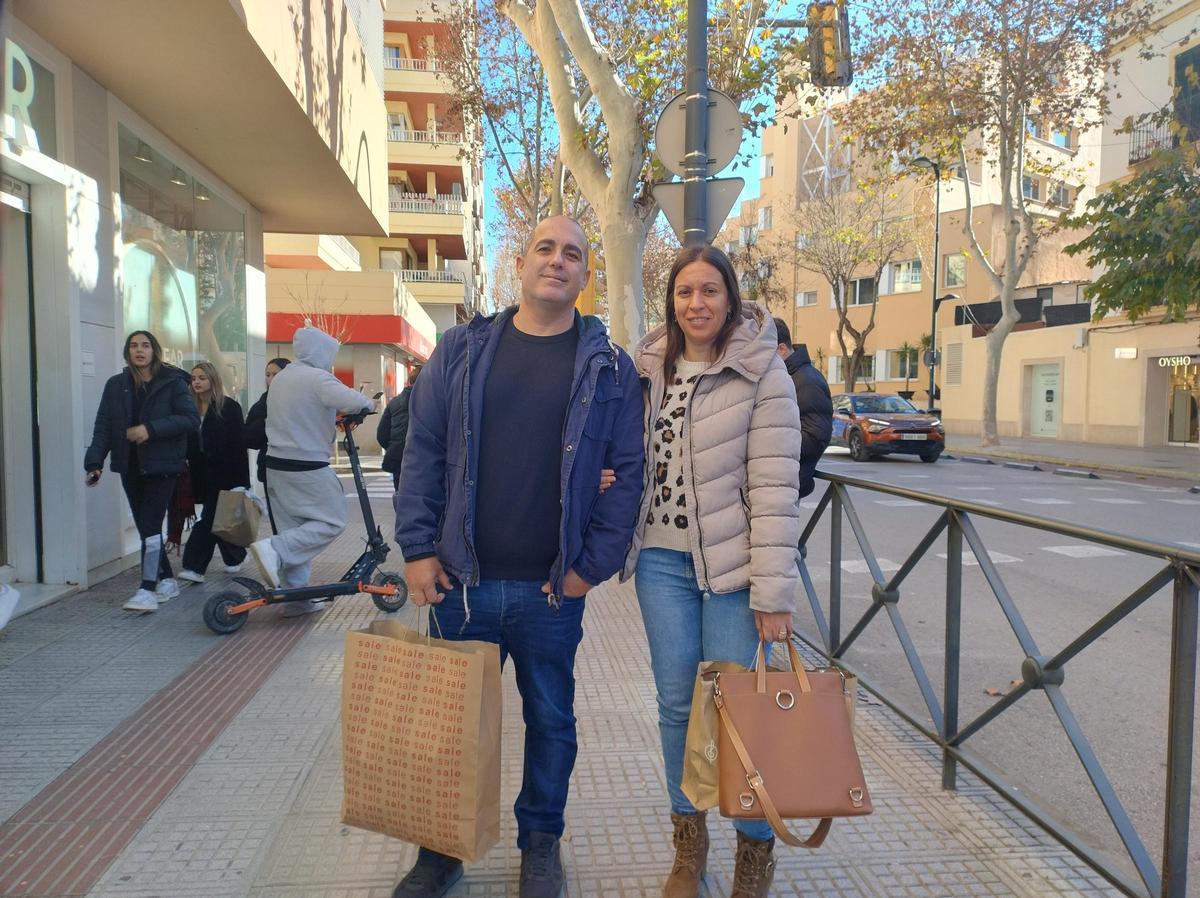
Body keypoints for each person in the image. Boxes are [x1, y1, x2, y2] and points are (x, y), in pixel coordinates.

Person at [393, 215, 645, 898]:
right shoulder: (463, 350)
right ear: (521, 264)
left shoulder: (612, 368)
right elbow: (421, 453)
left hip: (549, 593)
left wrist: (587, 567)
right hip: (461, 585)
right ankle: (440, 850)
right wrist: (417, 551)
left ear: (586, 274)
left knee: (551, 721)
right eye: (545, 249)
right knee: (447, 727)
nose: (557, 262)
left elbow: (629, 472)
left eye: (573, 254)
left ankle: (540, 843)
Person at [622, 247, 803, 898]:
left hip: (733, 572)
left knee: (743, 715)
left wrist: (773, 593)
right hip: (661, 565)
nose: (695, 304)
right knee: (677, 707)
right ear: (670, 301)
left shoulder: (760, 370)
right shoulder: (647, 367)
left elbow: (777, 488)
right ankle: (688, 849)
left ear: (730, 298)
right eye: (683, 293)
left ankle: (754, 857)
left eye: (709, 291)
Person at [247, 326, 373, 616]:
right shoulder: (317, 378)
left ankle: (296, 597)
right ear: (321, 352)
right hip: (307, 464)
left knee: (296, 527)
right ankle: (274, 550)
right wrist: (369, 403)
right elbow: (354, 400)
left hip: (276, 465)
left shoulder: (283, 378)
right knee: (332, 520)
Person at [84, 331, 200, 612]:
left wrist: (150, 429)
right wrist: (94, 463)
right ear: (127, 352)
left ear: (154, 351)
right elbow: (104, 426)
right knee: (146, 527)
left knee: (149, 525)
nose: (140, 350)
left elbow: (190, 419)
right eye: (134, 346)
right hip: (130, 465)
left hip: (163, 466)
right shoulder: (116, 385)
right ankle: (167, 581)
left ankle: (147, 589)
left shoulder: (172, 383)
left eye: (145, 345)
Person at [178, 362, 251, 583]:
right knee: (219, 520)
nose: (197, 382)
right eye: (194, 378)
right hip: (200, 475)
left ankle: (194, 566)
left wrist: (242, 482)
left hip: (225, 474)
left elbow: (239, 446)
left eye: (202, 377)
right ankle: (235, 556)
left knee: (208, 520)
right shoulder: (189, 408)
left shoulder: (228, 407)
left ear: (213, 380)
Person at [772, 317, 833, 498]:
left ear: (782, 349)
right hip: (781, 479)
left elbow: (816, 437)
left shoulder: (806, 381)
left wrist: (770, 446)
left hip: (788, 481)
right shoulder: (788, 377)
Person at [244, 357, 290, 531]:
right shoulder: (263, 404)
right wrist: (266, 421)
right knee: (279, 521)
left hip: (299, 468)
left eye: (275, 375)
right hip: (271, 467)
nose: (270, 379)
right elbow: (249, 439)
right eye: (267, 375)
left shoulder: (299, 400)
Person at [377, 364, 421, 490]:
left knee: (401, 495)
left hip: (398, 456)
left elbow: (382, 435)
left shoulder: (394, 403)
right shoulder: (433, 401)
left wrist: (394, 445)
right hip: (424, 458)